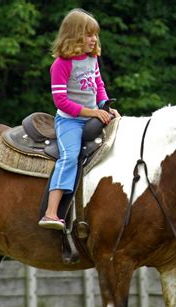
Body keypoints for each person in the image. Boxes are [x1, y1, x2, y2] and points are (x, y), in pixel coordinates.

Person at [38, 8, 119, 230]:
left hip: (94, 115)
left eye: (95, 35)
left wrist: (105, 107)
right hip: (70, 122)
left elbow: (98, 86)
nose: (94, 40)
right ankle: (51, 212)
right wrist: (92, 112)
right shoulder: (61, 65)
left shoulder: (92, 59)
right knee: (69, 156)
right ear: (73, 35)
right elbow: (61, 102)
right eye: (88, 34)